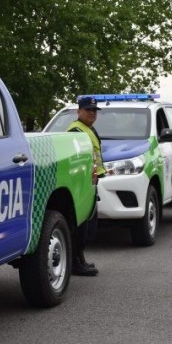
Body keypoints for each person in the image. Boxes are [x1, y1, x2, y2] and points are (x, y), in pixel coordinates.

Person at [66, 96, 106, 276]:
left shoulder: (88, 129)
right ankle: (75, 263)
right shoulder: (76, 131)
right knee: (81, 227)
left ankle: (79, 259)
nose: (92, 113)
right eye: (88, 109)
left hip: (90, 183)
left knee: (88, 226)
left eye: (94, 110)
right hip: (81, 185)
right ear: (78, 111)